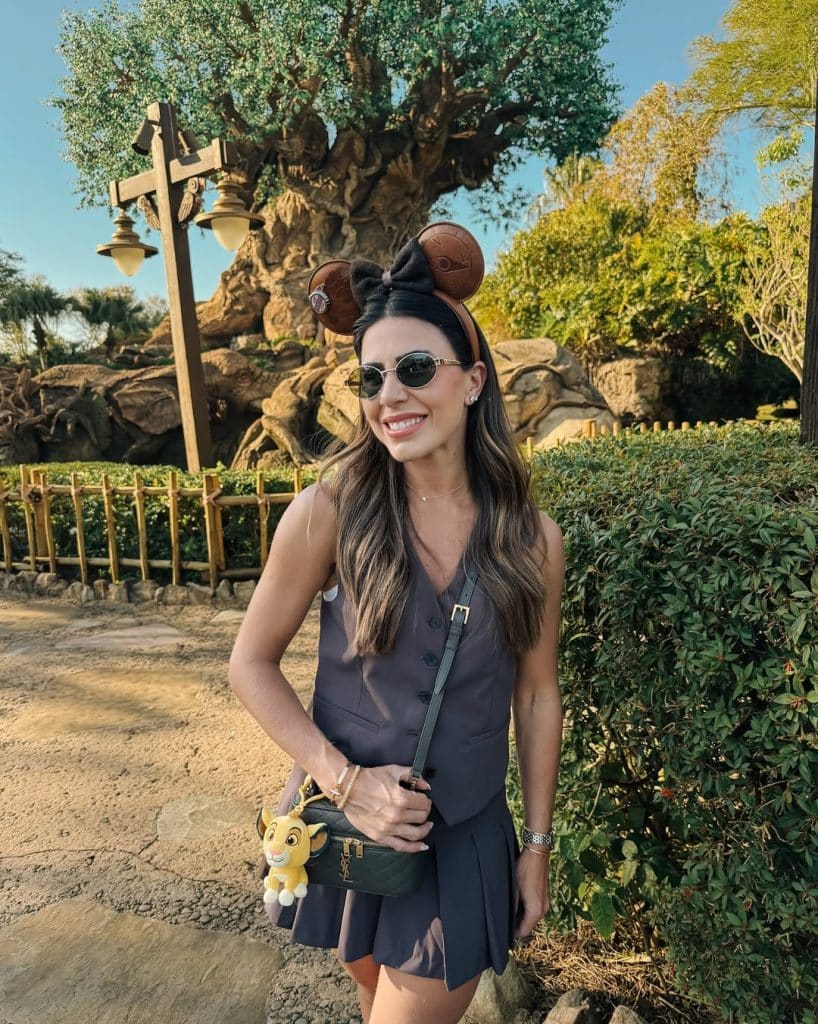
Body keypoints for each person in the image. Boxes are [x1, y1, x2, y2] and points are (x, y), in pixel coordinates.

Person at [229, 222, 565, 1024]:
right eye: (371, 376)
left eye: (416, 368)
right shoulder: (328, 511)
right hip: (348, 825)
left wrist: (538, 847)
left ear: (473, 380)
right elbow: (250, 663)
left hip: (460, 841)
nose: (390, 395)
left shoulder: (532, 538)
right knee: (372, 992)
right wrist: (347, 783)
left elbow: (537, 696)